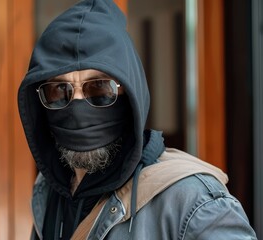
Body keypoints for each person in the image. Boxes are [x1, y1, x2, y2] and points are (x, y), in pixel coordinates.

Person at [17, 0, 257, 239]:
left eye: (99, 87)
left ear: (131, 94)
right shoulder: (48, 194)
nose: (77, 107)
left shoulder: (194, 205)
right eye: (59, 89)